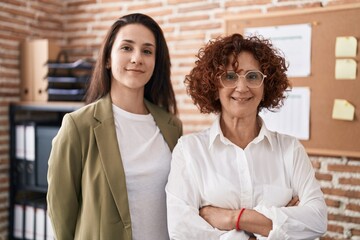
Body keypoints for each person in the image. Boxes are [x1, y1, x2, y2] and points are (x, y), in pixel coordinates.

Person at [166, 33, 327, 239]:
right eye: (230, 76)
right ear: (214, 87)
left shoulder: (290, 149)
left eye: (252, 76)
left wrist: (235, 218)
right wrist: (273, 227)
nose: (242, 88)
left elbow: (317, 220)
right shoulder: (189, 151)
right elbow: (182, 232)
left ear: (265, 86)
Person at [47, 13, 182, 240]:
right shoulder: (78, 126)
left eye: (147, 51)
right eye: (127, 48)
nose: (137, 58)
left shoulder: (172, 126)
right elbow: (61, 212)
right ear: (108, 59)